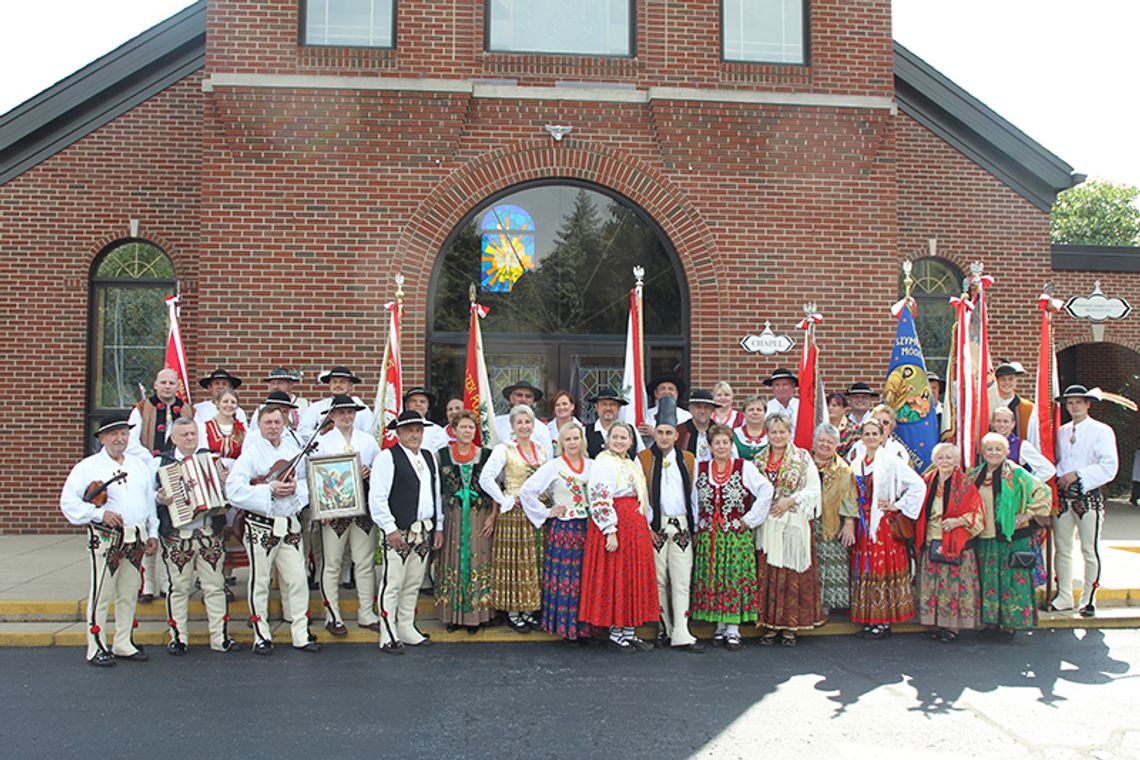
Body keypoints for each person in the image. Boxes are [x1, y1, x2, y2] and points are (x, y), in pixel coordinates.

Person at [60, 414, 159, 667]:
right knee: (102, 593)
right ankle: (96, 645)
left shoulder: (137, 465)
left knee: (128, 592)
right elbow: (68, 503)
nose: (120, 438)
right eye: (113, 434)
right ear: (102, 438)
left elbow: (149, 503)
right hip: (107, 537)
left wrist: (152, 532)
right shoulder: (88, 467)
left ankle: (123, 642)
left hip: (135, 534)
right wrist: (99, 513)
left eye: (124, 433)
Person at [227, 405, 319, 655]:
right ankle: (261, 635)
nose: (273, 427)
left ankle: (301, 633)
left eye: (277, 422)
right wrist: (268, 489)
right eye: (268, 422)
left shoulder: (294, 450)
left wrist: (293, 489)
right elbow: (233, 490)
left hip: (289, 523)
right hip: (261, 525)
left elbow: (308, 482)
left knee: (298, 579)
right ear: (259, 425)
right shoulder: (251, 454)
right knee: (261, 580)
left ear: (284, 423)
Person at [155, 418, 237, 655]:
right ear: (173, 439)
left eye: (192, 433)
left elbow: (228, 495)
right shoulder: (163, 464)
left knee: (215, 586)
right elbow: (150, 497)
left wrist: (224, 483)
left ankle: (220, 637)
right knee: (178, 587)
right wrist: (161, 498)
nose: (190, 438)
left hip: (209, 532)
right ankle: (178, 637)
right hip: (178, 534)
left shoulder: (211, 458)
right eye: (184, 435)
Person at [690, 424, 774, 651]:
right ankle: (719, 625)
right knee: (714, 578)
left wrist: (750, 518)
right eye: (717, 442)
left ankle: (733, 628)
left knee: (733, 580)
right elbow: (694, 501)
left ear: (731, 444)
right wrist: (698, 527)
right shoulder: (701, 468)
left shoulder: (743, 467)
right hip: (710, 536)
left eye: (725, 442)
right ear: (710, 446)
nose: (721, 446)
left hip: (736, 536)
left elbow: (766, 490)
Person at [579, 422, 660, 652]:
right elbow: (599, 496)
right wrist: (610, 530)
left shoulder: (630, 463)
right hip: (616, 524)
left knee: (632, 576)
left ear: (631, 441)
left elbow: (641, 496)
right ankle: (616, 631)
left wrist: (645, 524)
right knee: (617, 576)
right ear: (608, 439)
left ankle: (629, 630)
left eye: (624, 437)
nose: (619, 441)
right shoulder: (604, 462)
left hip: (635, 526)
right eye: (615, 437)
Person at [369, 411, 445, 653]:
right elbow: (378, 497)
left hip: (423, 529)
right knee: (393, 582)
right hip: (398, 530)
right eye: (409, 430)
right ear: (398, 432)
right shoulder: (387, 458)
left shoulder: (428, 457)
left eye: (418, 430)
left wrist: (439, 525)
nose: (415, 434)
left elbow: (436, 493)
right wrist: (389, 529)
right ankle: (387, 632)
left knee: (413, 582)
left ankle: (406, 627)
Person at [636, 397, 703, 652]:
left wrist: (695, 527)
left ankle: (682, 631)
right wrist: (647, 527)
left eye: (669, 433)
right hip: (657, 526)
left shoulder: (688, 459)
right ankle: (665, 627)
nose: (664, 437)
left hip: (683, 525)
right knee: (659, 579)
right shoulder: (642, 459)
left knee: (682, 578)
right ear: (655, 433)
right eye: (660, 432)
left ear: (676, 435)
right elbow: (640, 498)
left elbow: (694, 496)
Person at [849, 418, 925, 639]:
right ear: (862, 437)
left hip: (882, 522)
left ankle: (883, 621)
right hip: (863, 523)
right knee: (866, 568)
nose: (871, 438)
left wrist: (898, 505)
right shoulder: (857, 462)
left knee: (881, 568)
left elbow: (917, 484)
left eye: (875, 434)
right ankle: (870, 618)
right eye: (867, 434)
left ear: (882, 437)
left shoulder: (891, 461)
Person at [970, 432, 1051, 635]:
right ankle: (990, 621)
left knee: (1011, 580)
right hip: (985, 536)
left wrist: (1027, 514)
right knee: (988, 579)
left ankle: (1010, 622)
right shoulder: (975, 474)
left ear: (1006, 451)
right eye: (989, 449)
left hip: (1011, 537)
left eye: (998, 449)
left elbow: (1043, 491)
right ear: (982, 451)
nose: (994, 453)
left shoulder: (1017, 473)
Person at [753, 412, 824, 646]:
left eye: (782, 431)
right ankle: (771, 626)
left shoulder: (803, 458)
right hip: (769, 525)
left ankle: (790, 627)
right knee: (770, 573)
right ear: (767, 434)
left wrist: (789, 501)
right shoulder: (759, 460)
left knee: (792, 574)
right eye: (773, 432)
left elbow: (814, 489)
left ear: (789, 432)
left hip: (793, 524)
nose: (778, 436)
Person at [313, 395, 381, 636]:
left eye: (350, 412)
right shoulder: (322, 442)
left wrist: (369, 471)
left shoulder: (368, 441)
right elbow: (316, 476)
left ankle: (366, 612)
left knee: (364, 562)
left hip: (362, 509)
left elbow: (380, 472)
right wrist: (321, 508)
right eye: (341, 413)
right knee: (331, 563)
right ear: (332, 416)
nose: (346, 416)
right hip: (334, 511)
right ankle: (332, 615)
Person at [519, 420, 593, 641]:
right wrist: (547, 512)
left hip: (587, 528)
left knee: (583, 578)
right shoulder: (554, 466)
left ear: (582, 440)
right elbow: (527, 491)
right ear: (561, 443)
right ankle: (564, 626)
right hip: (564, 530)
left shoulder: (592, 465)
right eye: (567, 439)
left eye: (575, 438)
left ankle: (584, 626)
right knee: (565, 579)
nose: (572, 443)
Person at [480, 404, 549, 633]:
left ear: (533, 424)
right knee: (515, 562)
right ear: (512, 426)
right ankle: (513, 612)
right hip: (514, 515)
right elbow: (486, 478)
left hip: (535, 513)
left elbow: (547, 479)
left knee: (533, 560)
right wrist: (506, 498)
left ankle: (529, 610)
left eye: (527, 422)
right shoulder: (504, 449)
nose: (524, 426)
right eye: (519, 422)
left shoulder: (540, 449)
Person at [1053, 384, 1120, 616]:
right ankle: (1063, 595)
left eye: (1078, 402)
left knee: (1089, 549)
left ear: (1087, 404)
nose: (1074, 407)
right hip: (1064, 498)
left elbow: (1109, 467)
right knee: (1062, 548)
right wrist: (1061, 475)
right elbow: (1059, 460)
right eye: (1070, 403)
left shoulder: (1102, 431)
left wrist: (1079, 475)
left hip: (1087, 496)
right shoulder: (1061, 431)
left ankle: (1089, 598)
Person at [915, 442, 985, 643]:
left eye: (949, 457)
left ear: (956, 461)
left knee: (951, 586)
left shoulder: (964, 485)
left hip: (955, 544)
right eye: (940, 457)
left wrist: (958, 521)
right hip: (931, 541)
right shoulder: (927, 481)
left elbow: (977, 513)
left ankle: (952, 627)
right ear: (934, 460)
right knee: (934, 584)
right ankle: (936, 623)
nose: (944, 461)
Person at [435, 410, 496, 633]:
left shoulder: (487, 455)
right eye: (463, 427)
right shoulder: (440, 455)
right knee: (454, 561)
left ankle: (477, 616)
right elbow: (437, 491)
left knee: (478, 561)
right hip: (453, 518)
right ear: (454, 430)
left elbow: (494, 488)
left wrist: (493, 515)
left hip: (480, 517)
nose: (467, 431)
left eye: (471, 427)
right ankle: (453, 615)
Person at [992, 404, 1056, 590]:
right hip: (993, 506)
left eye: (1006, 421)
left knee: (1017, 553)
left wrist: (1025, 488)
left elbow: (1048, 469)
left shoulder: (1021, 446)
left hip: (1014, 508)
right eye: (998, 420)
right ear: (992, 423)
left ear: (1013, 424)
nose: (1001, 424)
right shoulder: (987, 443)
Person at [811, 422, 858, 614]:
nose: (824, 445)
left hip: (832, 521)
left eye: (829, 442)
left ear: (836, 445)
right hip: (806, 521)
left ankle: (829, 603)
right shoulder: (803, 463)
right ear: (814, 442)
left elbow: (849, 496)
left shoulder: (843, 470)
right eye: (821, 440)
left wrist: (849, 524)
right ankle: (810, 603)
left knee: (831, 561)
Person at [127, 367, 193, 461]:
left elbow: (196, 441)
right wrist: (150, 460)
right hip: (147, 464)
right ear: (155, 385)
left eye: (171, 383)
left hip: (180, 465)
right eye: (163, 382)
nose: (167, 386)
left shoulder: (189, 410)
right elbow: (130, 440)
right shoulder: (141, 409)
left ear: (177, 386)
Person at [299, 366, 373, 440]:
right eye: (334, 381)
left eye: (342, 382)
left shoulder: (362, 408)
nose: (338, 385)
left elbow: (370, 431)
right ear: (329, 385)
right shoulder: (316, 407)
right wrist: (322, 434)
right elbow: (303, 432)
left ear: (350, 386)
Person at [493, 381, 554, 458]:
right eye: (519, 395)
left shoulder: (542, 428)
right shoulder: (497, 423)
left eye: (528, 396)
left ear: (533, 401)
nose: (523, 399)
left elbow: (548, 458)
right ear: (511, 398)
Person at [585, 386, 645, 459]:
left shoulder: (631, 430)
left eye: (612, 404)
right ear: (597, 407)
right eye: (604, 404)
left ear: (618, 407)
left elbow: (642, 456)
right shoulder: (585, 432)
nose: (608, 408)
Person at [198, 388, 246, 469]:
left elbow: (246, 458)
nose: (229, 405)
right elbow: (203, 456)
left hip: (236, 473)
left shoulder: (243, 429)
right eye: (225, 401)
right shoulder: (204, 427)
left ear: (237, 406)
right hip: (213, 473)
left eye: (233, 402)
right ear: (217, 403)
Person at [994, 359, 1035, 443]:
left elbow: (1033, 438)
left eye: (1010, 379)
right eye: (1003, 379)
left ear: (1016, 381)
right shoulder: (989, 405)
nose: (1007, 382)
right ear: (997, 381)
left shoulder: (1029, 408)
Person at [403, 386, 449, 453]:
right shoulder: (396, 430)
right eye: (413, 401)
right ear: (406, 406)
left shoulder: (437, 431)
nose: (418, 404)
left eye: (422, 402)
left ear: (427, 407)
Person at [678, 389, 717, 463]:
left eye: (706, 407)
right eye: (698, 407)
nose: (702, 411)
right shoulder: (680, 431)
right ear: (690, 408)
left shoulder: (720, 431)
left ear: (712, 409)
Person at [732, 394, 767, 462]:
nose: (755, 412)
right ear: (744, 413)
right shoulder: (734, 434)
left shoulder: (772, 434)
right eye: (751, 410)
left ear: (765, 413)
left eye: (759, 410)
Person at [825, 391, 859, 460]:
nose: (830, 408)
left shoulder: (854, 430)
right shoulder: (821, 426)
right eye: (828, 405)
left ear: (844, 409)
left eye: (834, 405)